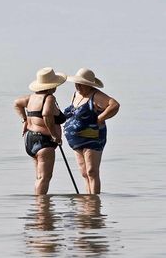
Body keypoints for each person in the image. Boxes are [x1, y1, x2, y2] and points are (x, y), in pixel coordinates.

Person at [63, 68, 120, 194]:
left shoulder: (96, 95)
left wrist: (101, 118)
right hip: (77, 140)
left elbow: (114, 105)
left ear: (89, 85)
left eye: (81, 84)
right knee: (84, 173)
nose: (78, 86)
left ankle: (94, 202)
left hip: (92, 137)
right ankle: (88, 201)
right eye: (76, 83)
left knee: (91, 171)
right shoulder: (75, 94)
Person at [14, 67, 67, 195]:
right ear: (52, 86)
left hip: (30, 139)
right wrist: (55, 135)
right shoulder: (49, 98)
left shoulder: (31, 98)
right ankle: (42, 209)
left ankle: (39, 207)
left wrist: (25, 120)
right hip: (44, 141)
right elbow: (46, 114)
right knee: (44, 178)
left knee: (39, 177)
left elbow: (17, 103)